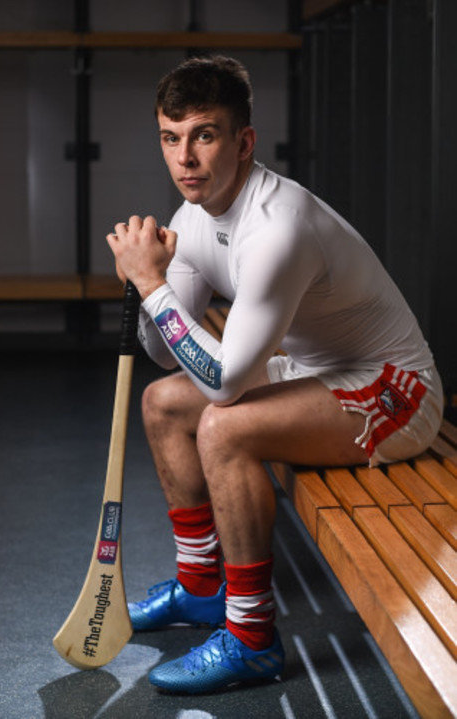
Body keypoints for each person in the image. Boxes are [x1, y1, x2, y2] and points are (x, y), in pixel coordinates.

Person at [105, 55, 443, 695]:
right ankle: (203, 589)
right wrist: (147, 290)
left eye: (204, 135)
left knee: (222, 429)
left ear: (244, 141)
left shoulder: (277, 227)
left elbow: (226, 385)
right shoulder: (193, 217)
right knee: (162, 404)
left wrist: (154, 286)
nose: (185, 159)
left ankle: (252, 638)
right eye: (170, 138)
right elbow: (161, 352)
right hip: (315, 371)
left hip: (394, 390)